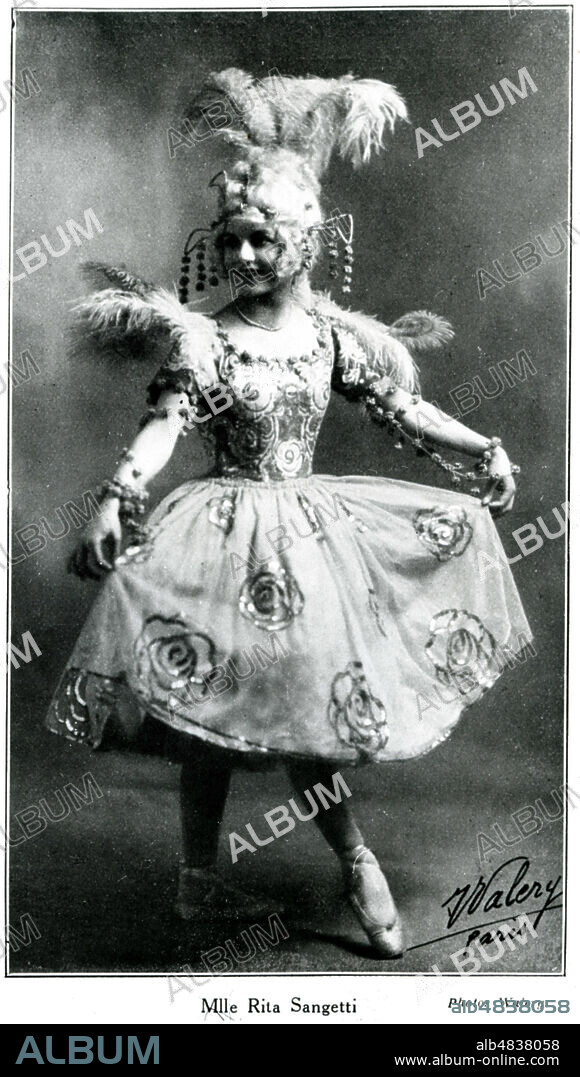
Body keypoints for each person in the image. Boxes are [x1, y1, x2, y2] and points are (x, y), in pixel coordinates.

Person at [46, 69, 532, 959]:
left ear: (306, 243)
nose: (242, 260)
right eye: (230, 242)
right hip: (221, 539)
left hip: (315, 543)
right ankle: (204, 879)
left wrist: (483, 449)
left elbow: (402, 409)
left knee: (309, 708)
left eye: (262, 242)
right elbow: (164, 426)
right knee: (206, 712)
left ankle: (352, 860)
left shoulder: (332, 336)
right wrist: (119, 495)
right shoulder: (207, 339)